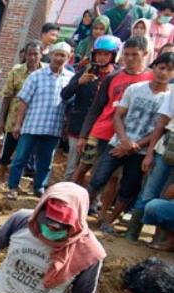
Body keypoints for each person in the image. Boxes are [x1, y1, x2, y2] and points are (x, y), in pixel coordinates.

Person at [88, 52, 174, 233]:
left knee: (128, 188)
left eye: (169, 69)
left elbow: (162, 128)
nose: (164, 72)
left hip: (141, 151)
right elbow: (118, 115)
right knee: (98, 179)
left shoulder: (171, 97)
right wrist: (126, 141)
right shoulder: (135, 88)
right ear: (154, 67)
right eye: (161, 67)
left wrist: (136, 146)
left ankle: (109, 221)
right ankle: (92, 214)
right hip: (118, 143)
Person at [74, 37, 153, 187]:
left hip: (127, 135)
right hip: (102, 129)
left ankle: (96, 206)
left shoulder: (151, 78)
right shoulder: (113, 77)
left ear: (145, 53)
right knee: (84, 166)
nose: (129, 58)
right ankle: (68, 198)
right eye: (126, 54)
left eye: (134, 54)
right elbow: (97, 107)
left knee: (111, 176)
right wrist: (84, 135)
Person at [6, 42, 74, 199]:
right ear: (51, 56)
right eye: (56, 54)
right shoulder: (36, 76)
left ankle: (39, 187)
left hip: (54, 128)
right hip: (32, 125)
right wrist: (18, 124)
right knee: (20, 157)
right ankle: (13, 187)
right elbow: (24, 101)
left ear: (68, 58)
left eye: (62, 55)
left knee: (46, 161)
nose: (58, 58)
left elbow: (70, 106)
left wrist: (66, 127)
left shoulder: (70, 79)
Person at [62, 36, 121, 182]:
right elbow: (65, 94)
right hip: (78, 126)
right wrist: (79, 83)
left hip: (104, 129)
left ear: (114, 56)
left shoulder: (117, 76)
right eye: (99, 54)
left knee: (98, 170)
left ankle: (90, 201)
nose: (101, 58)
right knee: (72, 166)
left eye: (106, 54)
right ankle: (63, 197)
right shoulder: (85, 71)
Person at [126, 80, 174, 241]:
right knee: (148, 193)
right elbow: (161, 124)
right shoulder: (173, 91)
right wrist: (149, 153)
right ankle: (132, 234)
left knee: (168, 198)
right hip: (165, 149)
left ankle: (160, 240)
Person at [0, 42, 44, 187]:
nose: (33, 57)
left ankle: (19, 181)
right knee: (8, 149)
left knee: (27, 153)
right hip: (14, 118)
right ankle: (1, 177)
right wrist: (1, 119)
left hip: (34, 121)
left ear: (41, 55)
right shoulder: (16, 71)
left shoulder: (46, 72)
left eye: (36, 54)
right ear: (25, 55)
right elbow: (7, 95)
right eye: (30, 54)